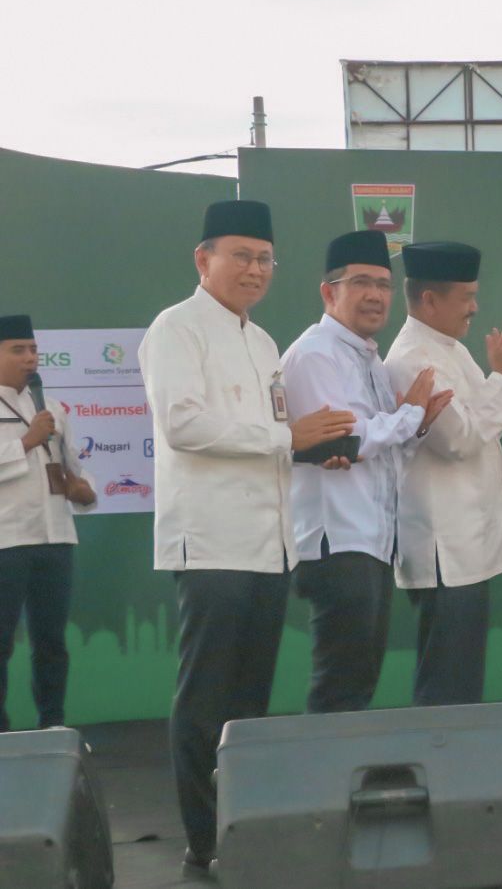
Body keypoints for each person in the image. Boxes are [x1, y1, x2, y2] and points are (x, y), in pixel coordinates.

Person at [139, 200, 356, 877]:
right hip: (209, 541)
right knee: (206, 699)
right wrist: (286, 438)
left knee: (249, 704)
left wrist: (313, 452)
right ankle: (206, 839)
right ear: (203, 259)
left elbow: (270, 437)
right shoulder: (176, 329)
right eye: (241, 256)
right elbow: (184, 427)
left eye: (265, 259)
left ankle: (247, 823)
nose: (255, 270)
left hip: (269, 542)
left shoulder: (262, 341)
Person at [280, 229, 452, 714]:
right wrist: (408, 417)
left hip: (371, 541)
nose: (376, 295)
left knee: (357, 681)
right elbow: (346, 441)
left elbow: (372, 445)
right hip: (337, 540)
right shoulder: (316, 353)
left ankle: (340, 779)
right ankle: (323, 784)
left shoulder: (369, 359)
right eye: (361, 282)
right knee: (341, 683)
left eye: (383, 284)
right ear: (328, 292)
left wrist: (410, 429)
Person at [384, 241, 502, 708]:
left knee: (462, 674)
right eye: (466, 296)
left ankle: (455, 771)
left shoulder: (452, 350)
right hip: (443, 547)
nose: (475, 307)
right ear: (430, 299)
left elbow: (480, 423)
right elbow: (459, 439)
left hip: (467, 543)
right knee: (448, 680)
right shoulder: (411, 359)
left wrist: (500, 381)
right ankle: (441, 773)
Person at [0, 314, 97, 733]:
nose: (29, 358)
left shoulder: (52, 409)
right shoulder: (38, 423)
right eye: (17, 350)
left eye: (33, 350)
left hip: (55, 537)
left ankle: (53, 726)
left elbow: (76, 471)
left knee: (52, 643)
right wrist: (26, 440)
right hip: (7, 539)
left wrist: (84, 492)